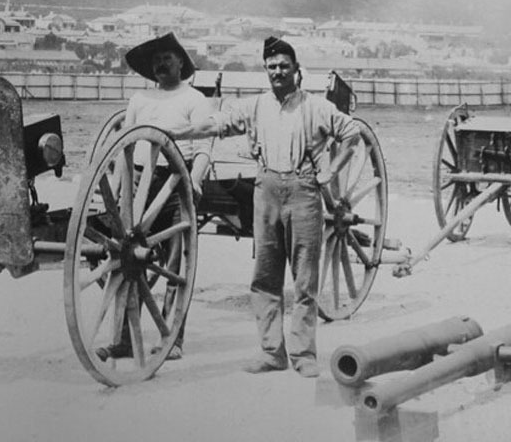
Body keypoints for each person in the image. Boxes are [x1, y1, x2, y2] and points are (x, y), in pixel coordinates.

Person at [170, 37, 360, 378]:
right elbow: (215, 124)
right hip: (266, 189)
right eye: (272, 67)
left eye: (284, 66)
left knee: (304, 277)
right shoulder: (255, 106)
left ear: (296, 70)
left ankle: (303, 354)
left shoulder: (316, 107)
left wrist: (331, 170)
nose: (278, 72)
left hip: (303, 191)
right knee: (265, 277)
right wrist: (175, 132)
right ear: (265, 70)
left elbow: (351, 133)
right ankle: (273, 353)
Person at [94, 32, 213, 363]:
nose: (161, 64)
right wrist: (118, 193)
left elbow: (204, 148)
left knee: (175, 264)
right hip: (141, 186)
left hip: (177, 184)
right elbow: (124, 150)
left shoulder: (195, 99)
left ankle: (171, 337)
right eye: (157, 60)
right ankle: (122, 340)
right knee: (126, 262)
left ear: (181, 64)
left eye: (168, 58)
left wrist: (196, 183)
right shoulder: (139, 100)